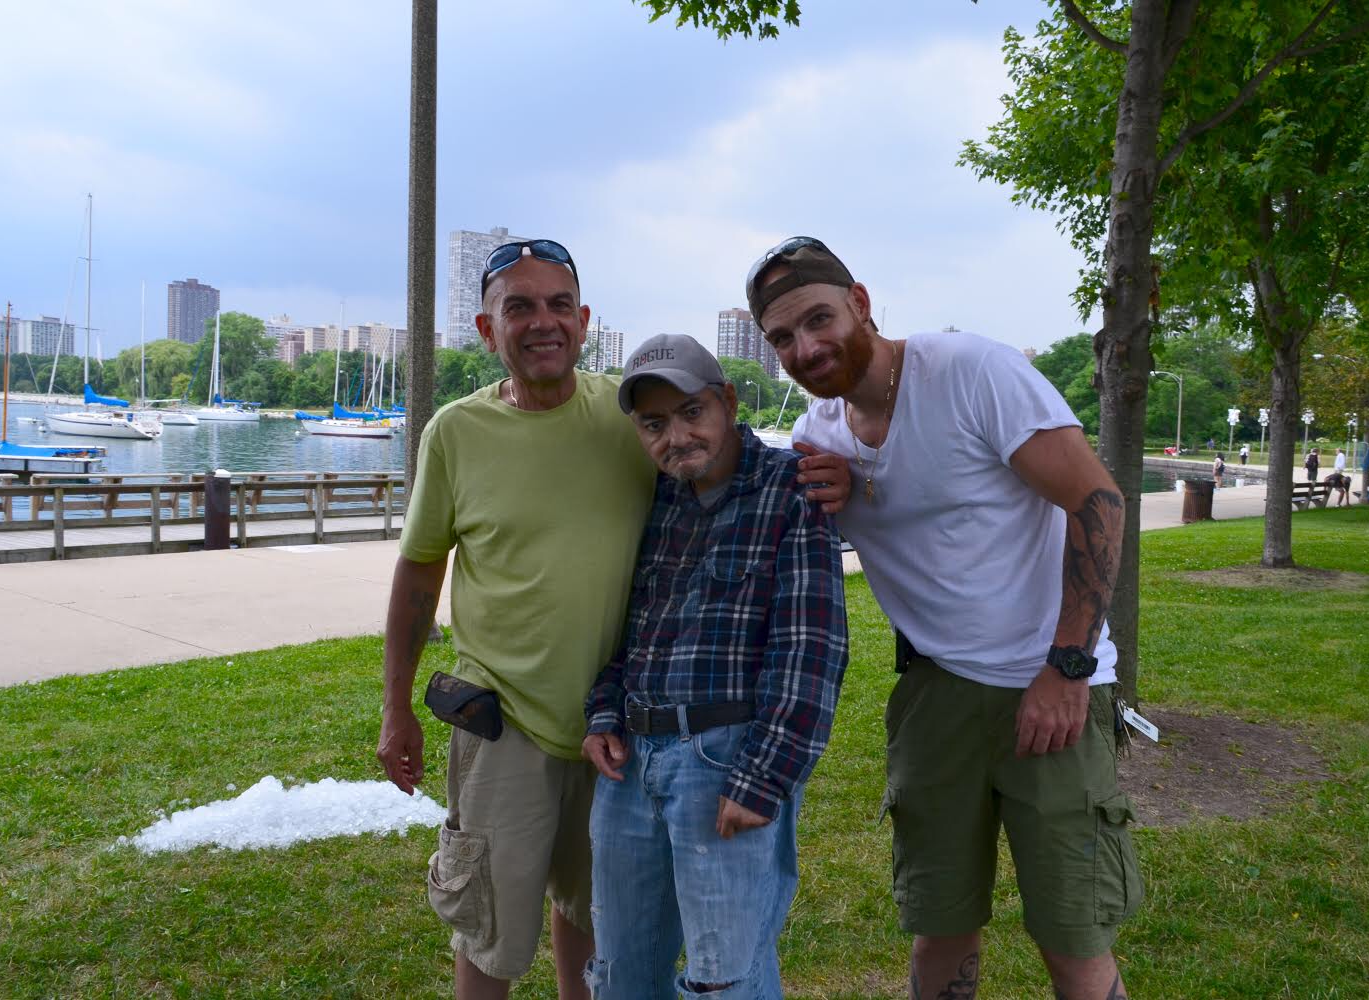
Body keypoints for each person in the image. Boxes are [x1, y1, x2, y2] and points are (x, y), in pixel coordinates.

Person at [377, 239, 851, 1000]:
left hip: (621, 736)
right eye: (519, 307)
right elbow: (418, 573)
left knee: (597, 918)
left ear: (584, 319)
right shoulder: (456, 433)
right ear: (487, 328)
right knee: (490, 929)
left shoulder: (629, 412)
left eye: (559, 304)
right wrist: (395, 706)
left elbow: (797, 626)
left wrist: (828, 470)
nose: (543, 321)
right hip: (508, 722)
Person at [749, 237, 1141, 1000]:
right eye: (782, 337)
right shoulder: (819, 435)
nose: (805, 347)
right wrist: (837, 493)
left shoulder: (971, 371)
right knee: (940, 921)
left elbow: (1097, 501)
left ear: (860, 302)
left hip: (1049, 684)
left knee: (1072, 934)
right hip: (935, 697)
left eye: (818, 319)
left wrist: (1068, 669)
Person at [581, 334, 848, 1000]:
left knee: (724, 980)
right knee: (619, 973)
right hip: (629, 764)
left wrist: (763, 779)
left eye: (691, 412)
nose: (676, 436)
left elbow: (810, 653)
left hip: (724, 760)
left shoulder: (792, 489)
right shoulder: (660, 498)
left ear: (727, 401)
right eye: (653, 424)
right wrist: (605, 713)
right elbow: (633, 628)